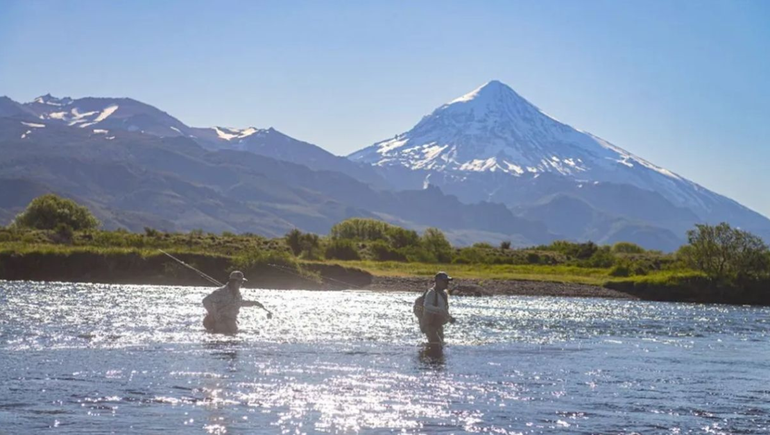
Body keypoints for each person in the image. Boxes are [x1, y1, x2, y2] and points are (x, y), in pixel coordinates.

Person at [202, 270, 269, 334]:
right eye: (239, 282)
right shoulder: (221, 292)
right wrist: (213, 314)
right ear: (233, 282)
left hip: (231, 321)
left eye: (242, 282)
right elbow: (205, 301)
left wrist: (254, 303)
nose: (241, 284)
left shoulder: (237, 294)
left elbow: (240, 303)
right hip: (220, 322)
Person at [414, 271, 456, 345]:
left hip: (438, 324)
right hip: (429, 324)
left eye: (447, 281)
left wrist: (449, 318)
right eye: (445, 281)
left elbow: (444, 310)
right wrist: (439, 310)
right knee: (435, 343)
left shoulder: (444, 294)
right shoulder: (431, 293)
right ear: (438, 281)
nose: (447, 283)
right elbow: (426, 306)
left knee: (440, 343)